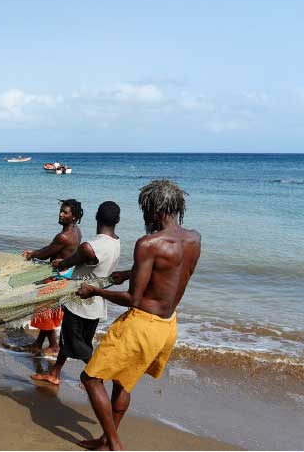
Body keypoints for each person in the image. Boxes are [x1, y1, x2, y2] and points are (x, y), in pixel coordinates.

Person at [76, 180, 201, 450]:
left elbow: (133, 299)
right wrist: (131, 273)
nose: (144, 217)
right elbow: (172, 270)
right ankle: (104, 440)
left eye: (145, 211)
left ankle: (115, 445)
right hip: (167, 325)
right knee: (122, 383)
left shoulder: (148, 243)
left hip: (141, 325)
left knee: (91, 379)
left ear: (156, 212)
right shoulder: (194, 239)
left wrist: (95, 292)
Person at [31, 201, 121, 385]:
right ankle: (54, 373)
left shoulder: (90, 246)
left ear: (96, 216)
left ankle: (99, 375)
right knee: (68, 340)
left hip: (81, 303)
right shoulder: (116, 242)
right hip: (95, 303)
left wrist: (58, 263)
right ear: (117, 220)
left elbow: (66, 263)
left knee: (80, 347)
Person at [22, 199, 83, 356]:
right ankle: (38, 344)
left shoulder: (63, 236)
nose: (61, 214)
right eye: (61, 211)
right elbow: (53, 250)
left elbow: (45, 254)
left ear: (74, 217)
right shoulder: (77, 231)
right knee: (49, 310)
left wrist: (32, 254)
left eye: (65, 212)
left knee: (44, 310)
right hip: (67, 274)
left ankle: (54, 346)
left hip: (56, 277)